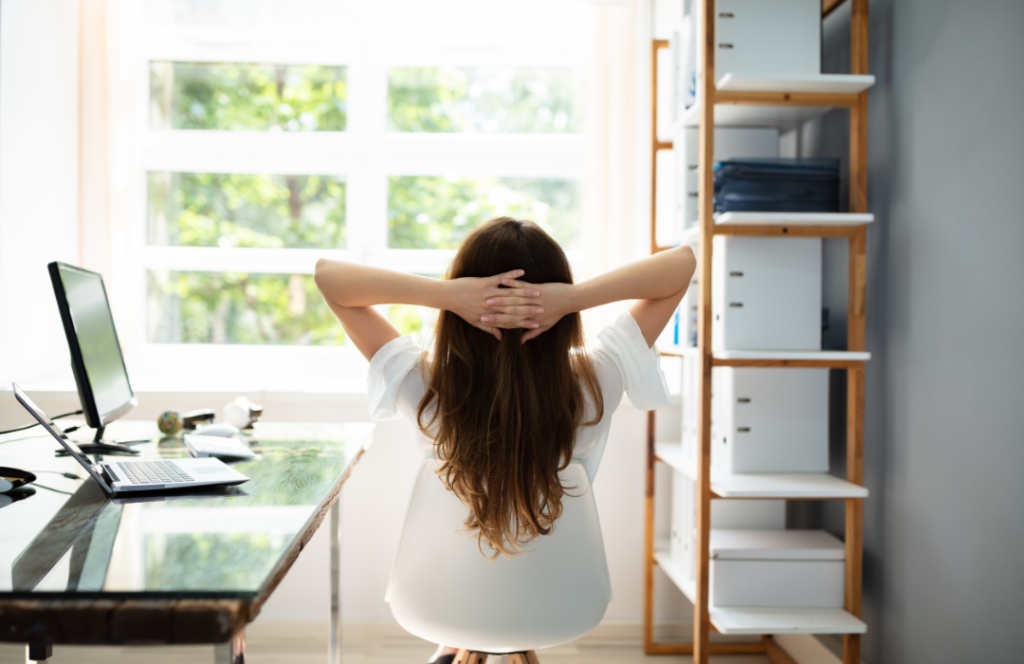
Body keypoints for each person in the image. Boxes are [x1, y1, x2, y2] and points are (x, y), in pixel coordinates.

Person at [314, 217, 696, 664]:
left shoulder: (426, 384)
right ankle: (484, 639)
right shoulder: (596, 380)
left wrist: (446, 295)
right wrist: (573, 299)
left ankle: (459, 643)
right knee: (520, 560)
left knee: (468, 560)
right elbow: (682, 265)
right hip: (557, 603)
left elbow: (328, 277)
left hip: (442, 601)